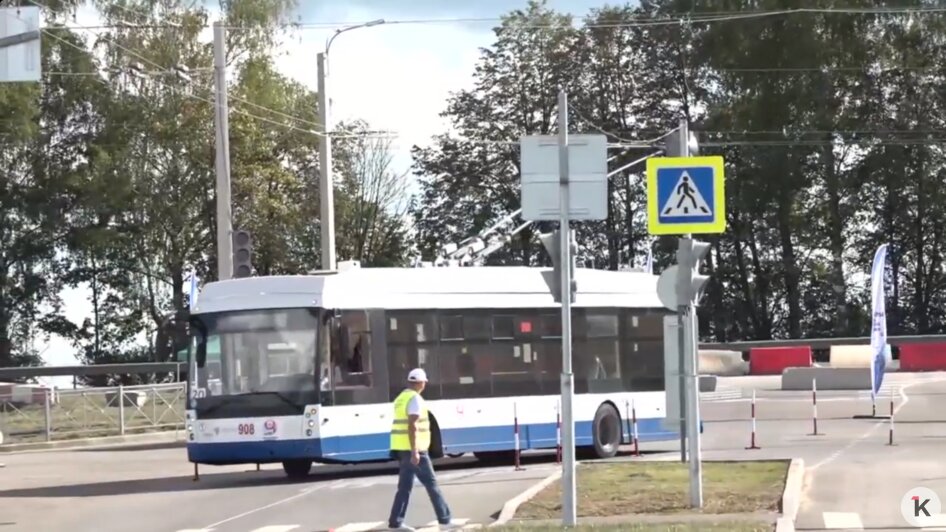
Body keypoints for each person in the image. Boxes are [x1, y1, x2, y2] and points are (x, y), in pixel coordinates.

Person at [387, 368, 458, 531]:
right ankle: (445, 521)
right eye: (424, 381)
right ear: (419, 383)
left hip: (402, 448)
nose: (425, 384)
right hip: (415, 450)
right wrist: (415, 451)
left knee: (404, 487)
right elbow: (412, 425)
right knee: (432, 485)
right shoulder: (415, 399)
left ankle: (395, 522)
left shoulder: (401, 398)